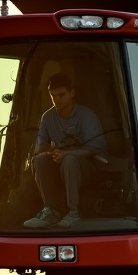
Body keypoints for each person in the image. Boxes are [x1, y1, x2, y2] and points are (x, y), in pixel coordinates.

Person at [23, 73, 107, 229]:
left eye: (61, 95)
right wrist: (51, 152)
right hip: (59, 166)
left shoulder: (86, 116)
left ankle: (73, 212)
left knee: (69, 160)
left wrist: (67, 154)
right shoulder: (47, 118)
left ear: (72, 93)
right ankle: (50, 210)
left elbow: (95, 149)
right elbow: (39, 149)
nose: (57, 100)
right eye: (53, 96)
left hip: (87, 169)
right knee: (39, 161)